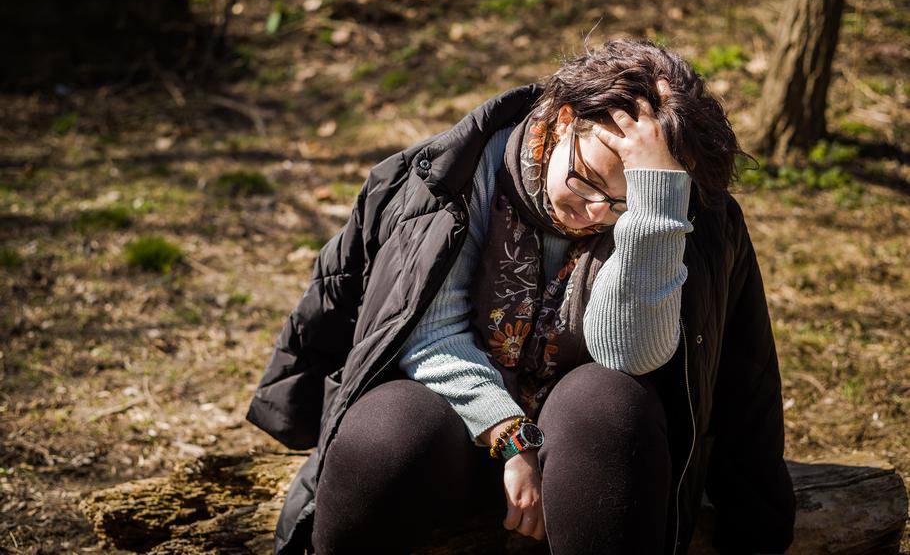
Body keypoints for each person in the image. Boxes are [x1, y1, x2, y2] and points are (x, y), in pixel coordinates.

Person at [246, 38, 796, 555]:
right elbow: (430, 333)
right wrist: (512, 439)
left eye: (623, 202)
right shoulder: (452, 176)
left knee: (606, 405)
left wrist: (652, 214)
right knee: (388, 430)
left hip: (598, 466)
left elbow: (634, 355)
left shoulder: (681, 214)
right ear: (562, 121)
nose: (596, 213)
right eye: (587, 182)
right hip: (453, 426)